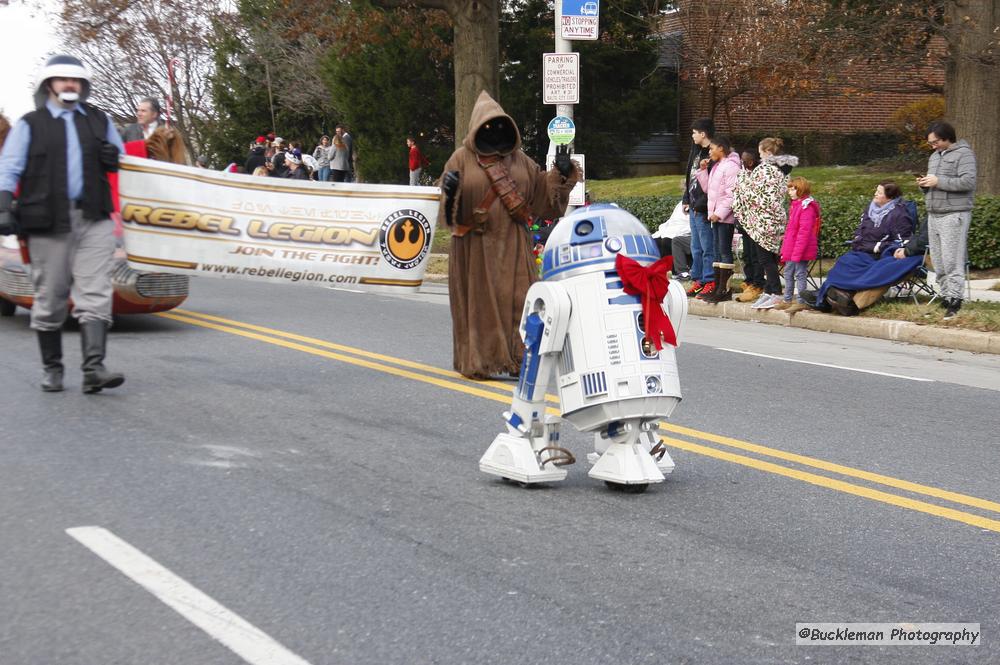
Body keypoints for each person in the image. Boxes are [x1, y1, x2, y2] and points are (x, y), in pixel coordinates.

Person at [0, 54, 126, 393]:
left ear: (83, 86)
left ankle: (93, 369)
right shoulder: (30, 124)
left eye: (76, 80)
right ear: (49, 85)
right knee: (51, 296)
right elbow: (8, 169)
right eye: (62, 80)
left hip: (95, 217)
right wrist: (3, 206)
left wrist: (115, 159)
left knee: (96, 291)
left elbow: (123, 163)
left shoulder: (100, 121)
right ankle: (52, 368)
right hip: (46, 220)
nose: (69, 85)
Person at [438, 90, 579, 379]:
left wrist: (561, 175)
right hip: (474, 246)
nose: (494, 130)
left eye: (500, 124)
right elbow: (445, 210)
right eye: (488, 125)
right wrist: (450, 192)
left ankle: (519, 358)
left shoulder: (521, 161)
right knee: (480, 306)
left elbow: (543, 200)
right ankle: (480, 361)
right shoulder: (461, 159)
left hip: (514, 243)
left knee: (521, 301)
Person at [813, 182, 921, 316]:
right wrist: (859, 241)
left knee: (875, 268)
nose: (875, 194)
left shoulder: (899, 214)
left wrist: (877, 247)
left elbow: (901, 241)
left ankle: (834, 298)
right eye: (876, 191)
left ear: (889, 197)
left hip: (881, 253)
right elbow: (860, 232)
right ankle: (835, 296)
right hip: (863, 250)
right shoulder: (870, 209)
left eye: (879, 192)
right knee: (845, 261)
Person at [918, 120, 977, 319]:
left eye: (935, 142)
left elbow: (968, 182)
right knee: (939, 261)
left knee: (953, 260)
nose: (932, 146)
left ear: (946, 138)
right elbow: (934, 183)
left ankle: (955, 300)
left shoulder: (964, 154)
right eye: (930, 143)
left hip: (955, 213)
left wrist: (938, 181)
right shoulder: (934, 157)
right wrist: (925, 184)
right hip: (934, 213)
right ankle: (944, 296)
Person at [733, 137, 798, 309]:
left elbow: (756, 193)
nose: (759, 156)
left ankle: (775, 292)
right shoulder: (782, 170)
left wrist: (742, 183)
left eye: (761, 152)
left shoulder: (766, 170)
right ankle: (769, 290)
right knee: (768, 257)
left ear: (768, 152)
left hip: (763, 219)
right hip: (774, 218)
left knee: (765, 258)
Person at [695, 134, 741, 302]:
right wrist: (702, 171)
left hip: (724, 217)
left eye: (712, 148)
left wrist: (719, 213)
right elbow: (709, 190)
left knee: (724, 251)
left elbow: (731, 195)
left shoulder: (731, 167)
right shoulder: (717, 165)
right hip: (715, 217)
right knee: (716, 252)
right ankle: (717, 287)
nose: (710, 151)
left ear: (721, 148)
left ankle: (725, 289)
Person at [682, 118, 715, 297]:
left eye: (694, 132)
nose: (692, 136)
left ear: (703, 133)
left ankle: (709, 279)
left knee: (706, 246)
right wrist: (686, 198)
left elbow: (713, 184)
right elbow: (689, 175)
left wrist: (701, 205)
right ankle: (698, 279)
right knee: (696, 246)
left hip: (703, 208)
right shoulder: (695, 151)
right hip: (693, 205)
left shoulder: (712, 153)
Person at [777, 177, 820, 312]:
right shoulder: (795, 205)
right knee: (788, 273)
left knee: (800, 274)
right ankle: (787, 299)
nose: (789, 191)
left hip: (801, 248)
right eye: (789, 188)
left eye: (792, 188)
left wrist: (797, 253)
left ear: (800, 189)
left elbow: (804, 232)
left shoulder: (806, 207)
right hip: (792, 247)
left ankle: (801, 301)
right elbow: (792, 229)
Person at [651, 201, 693, 279]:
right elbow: (673, 220)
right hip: (674, 228)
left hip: (687, 231)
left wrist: (675, 231)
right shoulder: (681, 203)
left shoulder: (697, 201)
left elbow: (690, 224)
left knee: (667, 241)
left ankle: (675, 271)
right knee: (655, 241)